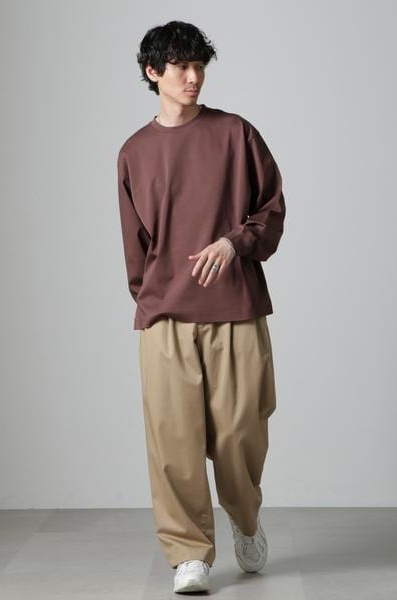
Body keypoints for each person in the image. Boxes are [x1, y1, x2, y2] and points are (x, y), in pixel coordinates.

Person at [117, 20, 286, 594]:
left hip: (234, 306)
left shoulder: (236, 134)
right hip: (165, 315)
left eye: (199, 66)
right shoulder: (134, 153)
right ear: (153, 72)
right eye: (181, 66)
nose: (193, 77)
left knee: (240, 433)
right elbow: (135, 244)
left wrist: (233, 243)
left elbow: (271, 210)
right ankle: (188, 553)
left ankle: (245, 517)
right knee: (174, 442)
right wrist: (150, 301)